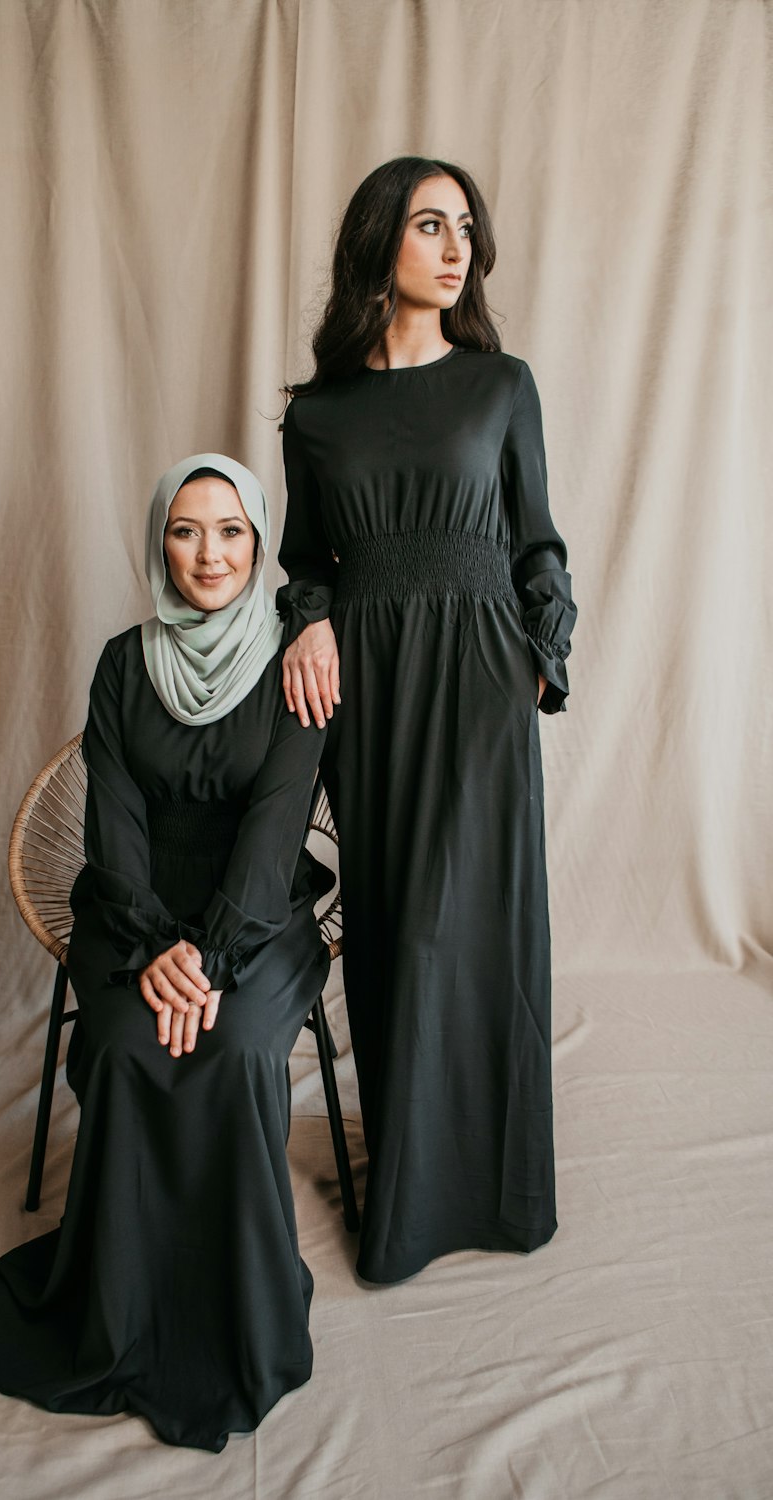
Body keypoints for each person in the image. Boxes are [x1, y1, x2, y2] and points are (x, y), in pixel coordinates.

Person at [0, 455, 332, 1452]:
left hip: (254, 924)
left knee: (237, 1051)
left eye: (229, 531)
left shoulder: (297, 661)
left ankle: (235, 1314)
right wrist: (150, 950)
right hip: (132, 923)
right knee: (131, 1047)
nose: (207, 553)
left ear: (258, 545)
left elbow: (271, 836)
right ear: (157, 545)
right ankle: (119, 1310)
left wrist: (208, 957)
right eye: (184, 529)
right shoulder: (124, 665)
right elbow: (114, 829)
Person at [277, 156, 577, 1285]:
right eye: (429, 225)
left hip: (481, 679)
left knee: (480, 928)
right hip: (374, 688)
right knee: (399, 930)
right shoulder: (317, 415)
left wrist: (539, 660)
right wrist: (308, 620)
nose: (456, 249)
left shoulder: (501, 388)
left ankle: (501, 1191)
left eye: (465, 229)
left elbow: (535, 541)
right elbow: (304, 561)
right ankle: (405, 1198)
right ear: (377, 245)